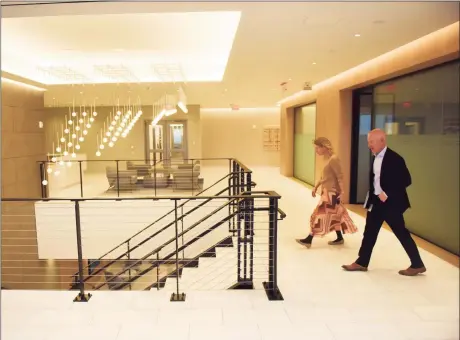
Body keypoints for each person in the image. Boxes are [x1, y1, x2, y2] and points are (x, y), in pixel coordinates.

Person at [342, 129, 426, 276]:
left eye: (371, 142)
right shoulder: (375, 157)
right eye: (368, 142)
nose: (369, 145)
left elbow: (406, 180)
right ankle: (362, 262)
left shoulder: (395, 158)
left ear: (382, 140)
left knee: (401, 233)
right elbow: (376, 181)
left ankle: (417, 264)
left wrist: (387, 194)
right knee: (369, 232)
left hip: (391, 204)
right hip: (377, 203)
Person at [296, 137, 358, 248]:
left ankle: (309, 239)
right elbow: (324, 177)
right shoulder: (327, 159)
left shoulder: (334, 159)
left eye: (317, 148)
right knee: (335, 216)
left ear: (324, 147)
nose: (316, 151)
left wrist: (342, 192)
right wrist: (316, 187)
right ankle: (339, 238)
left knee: (319, 215)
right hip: (327, 192)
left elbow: (340, 176)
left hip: (332, 194)